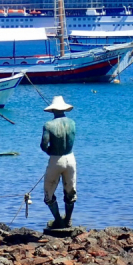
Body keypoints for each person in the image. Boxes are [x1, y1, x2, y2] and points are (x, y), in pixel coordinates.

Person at [40, 96, 77, 230]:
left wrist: (50, 151)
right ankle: (68, 220)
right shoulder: (72, 123)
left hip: (56, 159)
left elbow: (44, 145)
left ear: (53, 110)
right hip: (71, 158)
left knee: (48, 194)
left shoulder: (48, 125)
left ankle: (58, 221)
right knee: (70, 191)